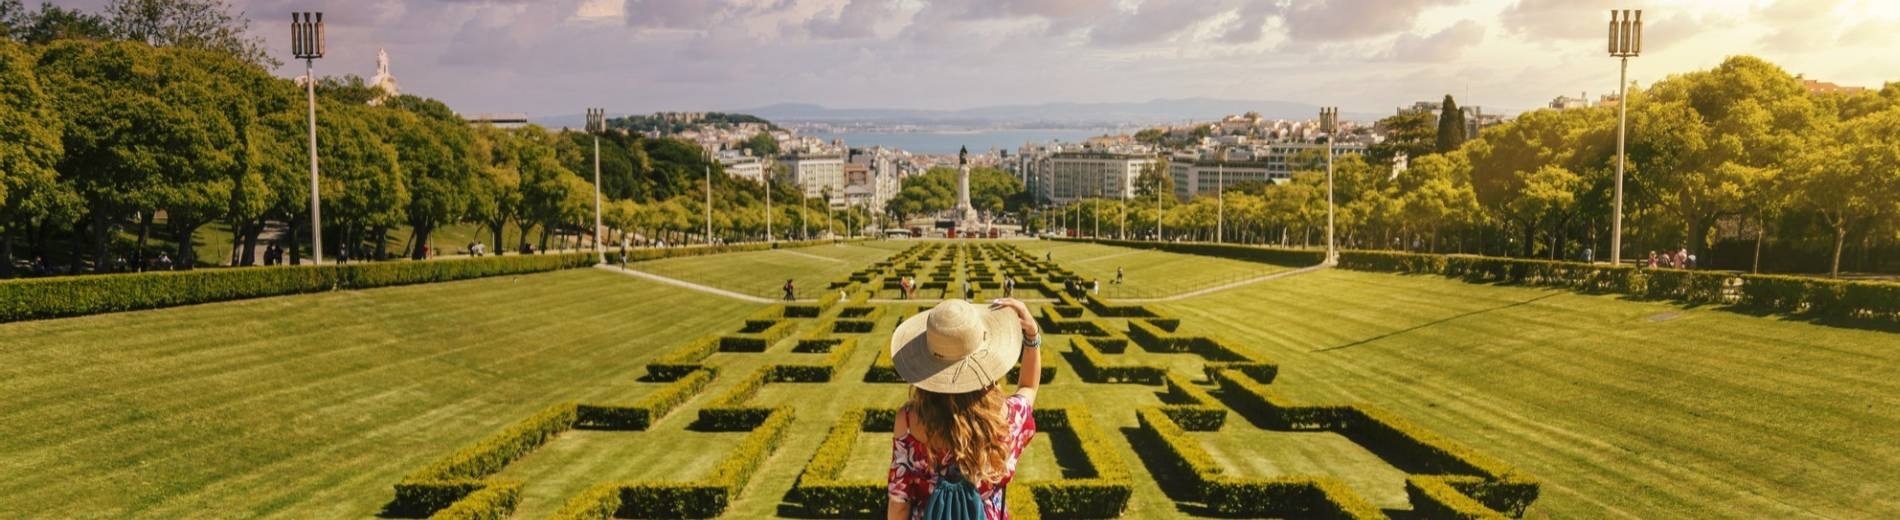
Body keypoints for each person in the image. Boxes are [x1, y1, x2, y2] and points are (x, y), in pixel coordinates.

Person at [887, 298, 1041, 520]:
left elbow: (899, 503)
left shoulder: (908, 421)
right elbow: (1028, 386)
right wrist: (1032, 336)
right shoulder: (1007, 418)